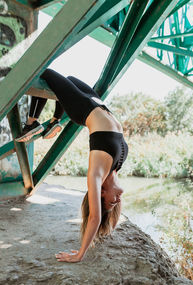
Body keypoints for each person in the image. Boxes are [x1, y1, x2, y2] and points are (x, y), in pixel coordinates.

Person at [27, 69, 128, 262]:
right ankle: (55, 120)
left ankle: (31, 123)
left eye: (111, 202)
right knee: (70, 78)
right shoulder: (117, 167)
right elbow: (108, 219)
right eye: (116, 203)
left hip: (82, 109)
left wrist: (80, 254)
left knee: (44, 72)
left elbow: (94, 218)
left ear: (100, 194)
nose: (118, 199)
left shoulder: (96, 175)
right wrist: (111, 220)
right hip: (97, 104)